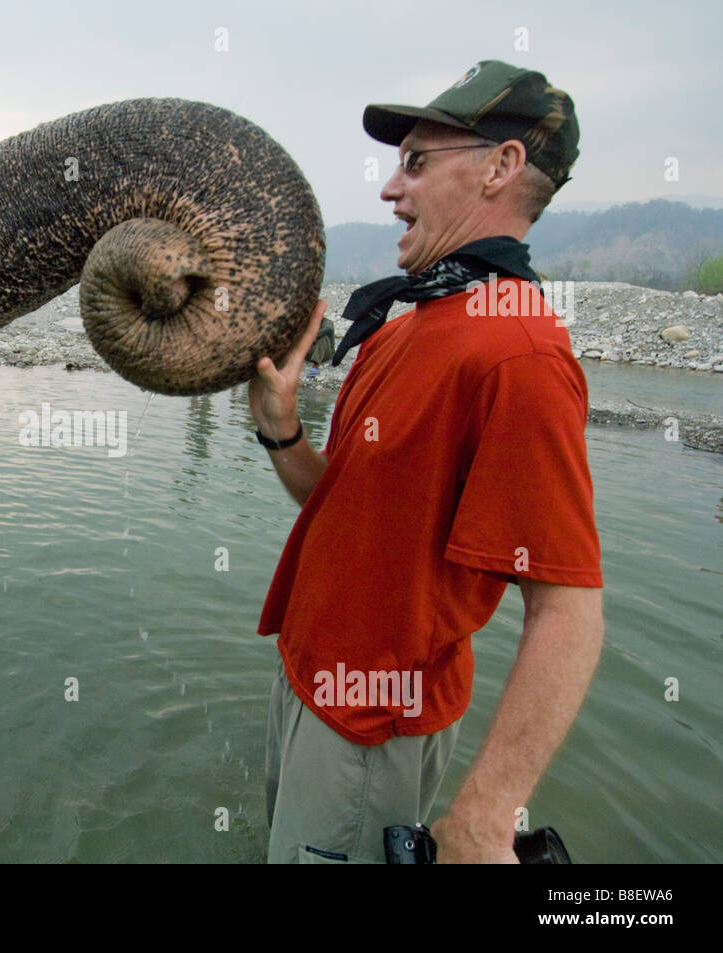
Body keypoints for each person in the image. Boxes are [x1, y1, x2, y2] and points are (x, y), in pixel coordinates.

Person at [248, 60, 604, 864]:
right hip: (306, 687)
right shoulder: (408, 325)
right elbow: (338, 502)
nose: (389, 189)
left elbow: (568, 611)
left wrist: (487, 813)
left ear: (501, 167)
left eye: (416, 161)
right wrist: (281, 433)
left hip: (371, 727)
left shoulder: (519, 353)